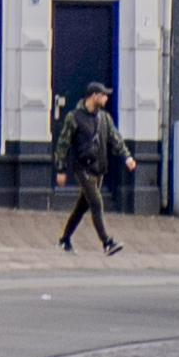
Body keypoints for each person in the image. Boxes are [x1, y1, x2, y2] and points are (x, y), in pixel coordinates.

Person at [57, 80, 128, 258]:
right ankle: (107, 242)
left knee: (82, 207)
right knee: (96, 203)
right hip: (83, 168)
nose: (106, 98)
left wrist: (127, 156)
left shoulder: (104, 118)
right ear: (94, 96)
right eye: (103, 95)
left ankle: (64, 239)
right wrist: (61, 169)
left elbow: (115, 138)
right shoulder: (74, 117)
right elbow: (63, 144)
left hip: (99, 169)